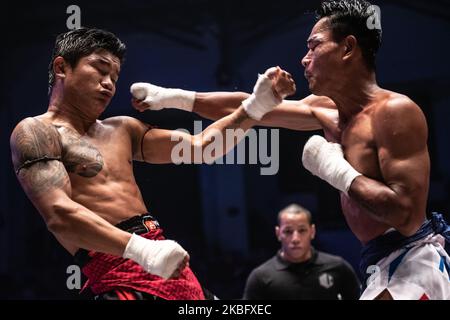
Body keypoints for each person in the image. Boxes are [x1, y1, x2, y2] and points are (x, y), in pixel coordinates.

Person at [131, 0, 450, 299]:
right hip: (380, 258)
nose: (304, 58)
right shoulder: (325, 110)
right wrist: (170, 97)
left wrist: (334, 170)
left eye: (314, 46)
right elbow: (248, 108)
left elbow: (406, 217)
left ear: (348, 48)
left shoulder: (395, 112)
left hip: (413, 258)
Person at [9, 27, 296, 300]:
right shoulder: (36, 131)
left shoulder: (122, 128)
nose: (109, 83)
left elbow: (203, 148)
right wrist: (142, 250)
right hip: (117, 268)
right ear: (61, 67)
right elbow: (59, 215)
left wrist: (256, 106)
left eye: (115, 76)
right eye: (100, 68)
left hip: (167, 261)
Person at [243, 204, 360, 300]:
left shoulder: (338, 267)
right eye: (288, 231)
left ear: (312, 231)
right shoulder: (261, 277)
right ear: (278, 233)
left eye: (302, 230)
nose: (295, 239)